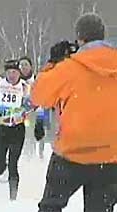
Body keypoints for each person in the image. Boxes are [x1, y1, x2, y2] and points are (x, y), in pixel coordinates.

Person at [32, 13, 117, 212]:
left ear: (79, 38)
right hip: (111, 155)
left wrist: (53, 63)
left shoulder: (69, 68)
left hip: (71, 153)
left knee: (51, 206)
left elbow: (38, 96)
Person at [0, 59, 34, 200]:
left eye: (15, 72)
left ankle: (13, 196)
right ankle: (0, 172)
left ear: (19, 73)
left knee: (13, 163)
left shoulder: (25, 87)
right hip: (0, 128)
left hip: (17, 129)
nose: (12, 75)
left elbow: (31, 104)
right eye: (9, 72)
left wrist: (20, 112)